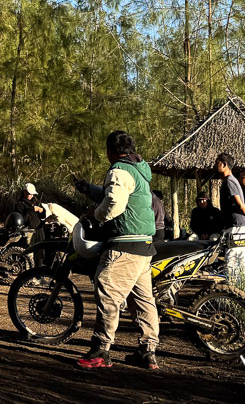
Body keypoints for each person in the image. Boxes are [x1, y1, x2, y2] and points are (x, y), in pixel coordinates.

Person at [72, 131, 160, 370]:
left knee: (107, 290)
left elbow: (113, 203)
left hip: (125, 245)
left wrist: (95, 214)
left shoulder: (119, 170)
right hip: (143, 245)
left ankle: (101, 349)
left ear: (110, 152)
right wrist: (89, 189)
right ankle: (147, 351)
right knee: (142, 301)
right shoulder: (137, 169)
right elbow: (117, 193)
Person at [215, 153, 245, 283]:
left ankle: (232, 287)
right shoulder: (232, 180)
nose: (215, 165)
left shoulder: (230, 181)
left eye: (217, 162)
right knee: (240, 256)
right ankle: (242, 285)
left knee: (232, 255)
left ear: (224, 165)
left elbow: (239, 201)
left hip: (236, 225)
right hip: (240, 224)